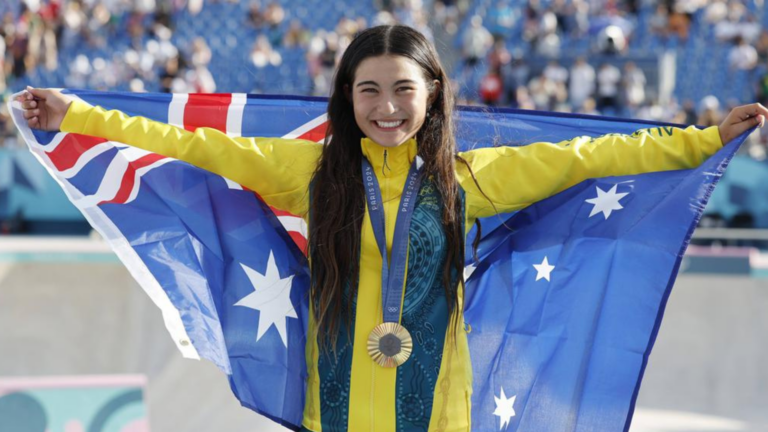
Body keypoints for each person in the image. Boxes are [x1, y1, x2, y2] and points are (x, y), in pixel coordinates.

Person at [15, 24, 768, 432]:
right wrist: (78, 115)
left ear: (433, 94)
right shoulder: (306, 172)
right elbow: (194, 143)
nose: (385, 108)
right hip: (333, 411)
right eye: (367, 91)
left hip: (439, 416)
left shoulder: (471, 180)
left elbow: (585, 157)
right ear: (347, 96)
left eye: (402, 91)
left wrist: (702, 140)